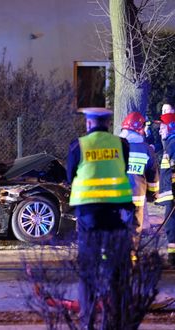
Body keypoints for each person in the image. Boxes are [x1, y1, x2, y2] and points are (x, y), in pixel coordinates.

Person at [67, 107, 134, 329]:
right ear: (107, 123)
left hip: (88, 217)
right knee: (116, 269)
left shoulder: (78, 146)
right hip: (116, 215)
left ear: (88, 124)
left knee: (88, 270)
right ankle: (116, 317)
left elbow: (70, 177)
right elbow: (122, 170)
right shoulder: (121, 145)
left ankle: (88, 319)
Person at [119, 112, 159, 248]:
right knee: (134, 231)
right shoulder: (146, 150)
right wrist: (152, 195)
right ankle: (131, 260)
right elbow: (153, 180)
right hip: (136, 200)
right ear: (139, 128)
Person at [156, 112, 175, 269]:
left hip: (172, 195)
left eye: (162, 126)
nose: (160, 129)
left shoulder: (173, 143)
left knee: (171, 226)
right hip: (170, 194)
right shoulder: (170, 143)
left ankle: (173, 258)